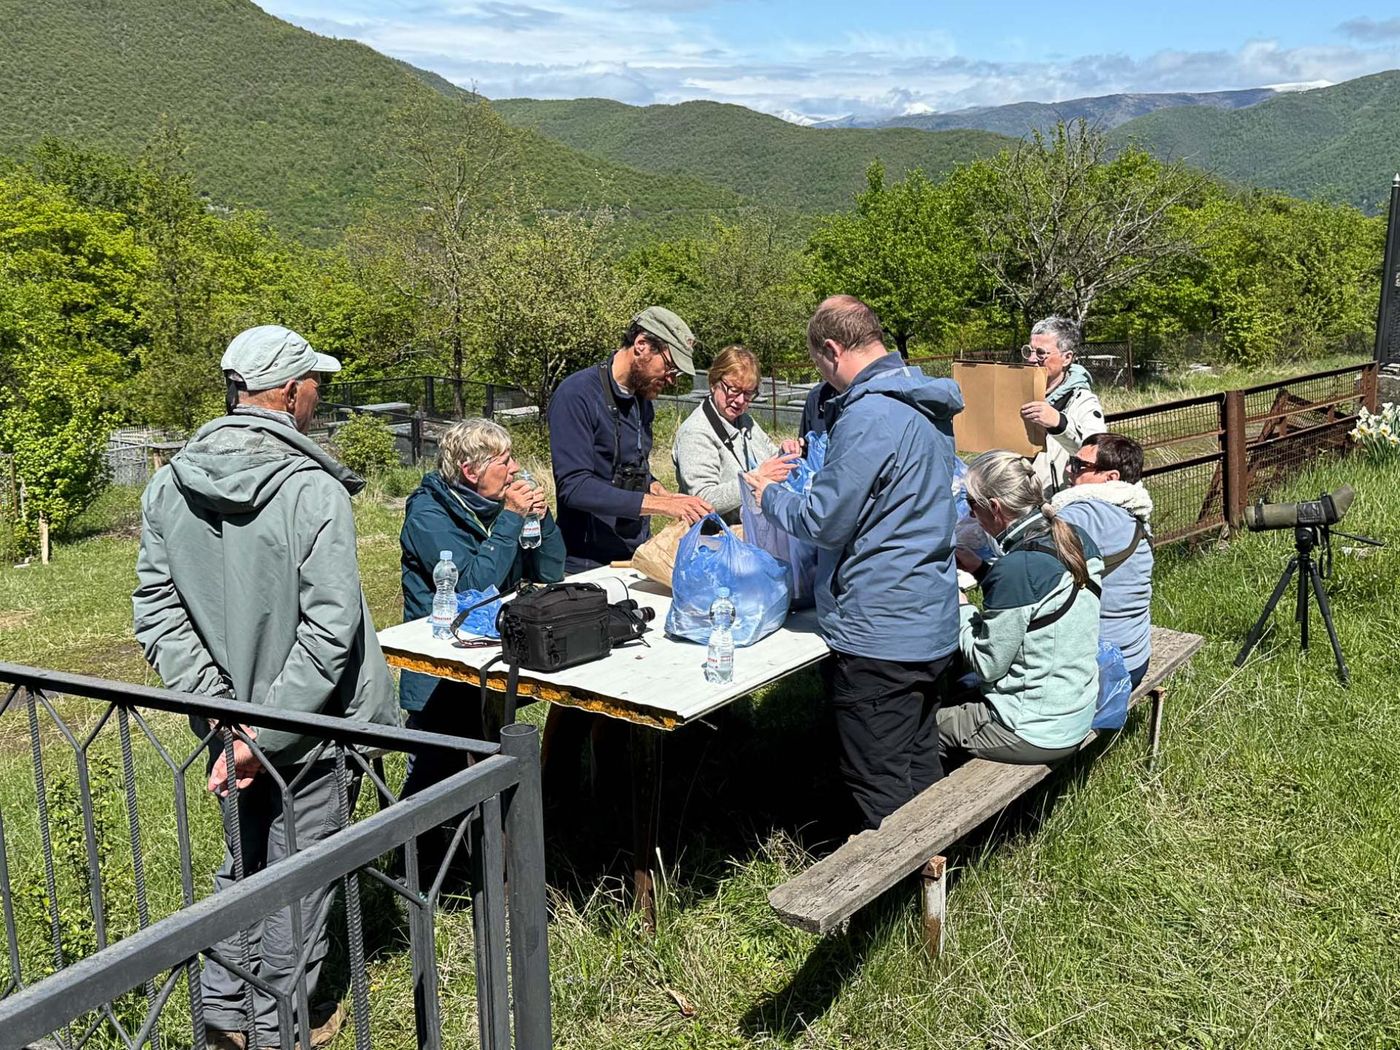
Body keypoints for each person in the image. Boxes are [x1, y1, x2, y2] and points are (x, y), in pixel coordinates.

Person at [133, 324, 398, 1050]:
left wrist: (225, 716)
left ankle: (224, 1022)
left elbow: (157, 611)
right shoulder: (312, 490)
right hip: (313, 732)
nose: (320, 393)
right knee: (298, 888)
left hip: (228, 734)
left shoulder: (167, 483)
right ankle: (280, 1030)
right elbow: (331, 629)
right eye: (315, 382)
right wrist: (265, 733)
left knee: (244, 867)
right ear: (286, 393)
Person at [744, 295, 964, 831]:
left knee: (879, 781)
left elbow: (824, 521)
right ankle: (937, 884)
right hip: (926, 615)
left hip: (879, 631)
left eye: (818, 365)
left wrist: (767, 493)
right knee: (917, 760)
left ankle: (894, 899)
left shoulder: (868, 414)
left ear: (832, 349)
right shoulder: (922, 401)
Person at [399, 418, 566, 790]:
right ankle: (418, 848)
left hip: (491, 658)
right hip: (441, 673)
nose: (514, 469)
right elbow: (471, 588)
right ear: (470, 471)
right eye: (503, 461)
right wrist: (510, 518)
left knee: (490, 774)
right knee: (436, 787)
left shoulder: (498, 505)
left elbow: (552, 572)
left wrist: (542, 518)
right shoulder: (428, 514)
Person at [942, 450, 1103, 767]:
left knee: (925, 731)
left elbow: (987, 665)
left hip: (1034, 729)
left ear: (996, 508)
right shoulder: (1074, 536)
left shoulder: (1017, 567)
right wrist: (981, 570)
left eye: (973, 506)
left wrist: (961, 607)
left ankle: (941, 814)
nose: (972, 516)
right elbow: (1043, 603)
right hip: (1076, 706)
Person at [548, 307, 713, 573]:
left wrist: (660, 490)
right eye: (670, 367)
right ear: (641, 345)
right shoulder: (576, 395)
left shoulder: (642, 399)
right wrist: (664, 506)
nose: (670, 380)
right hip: (585, 565)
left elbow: (633, 467)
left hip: (634, 554)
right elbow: (574, 486)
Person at [1051, 433, 1154, 687]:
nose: (1068, 469)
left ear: (1111, 478)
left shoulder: (1081, 512)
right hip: (1135, 657)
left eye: (1079, 466)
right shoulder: (1132, 509)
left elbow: (1027, 567)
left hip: (1102, 670)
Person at [672, 345, 800, 523]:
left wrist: (785, 453)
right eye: (734, 390)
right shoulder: (696, 432)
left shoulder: (745, 421)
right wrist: (755, 478)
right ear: (713, 383)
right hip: (717, 541)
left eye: (748, 393)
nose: (740, 401)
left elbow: (770, 461)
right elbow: (702, 500)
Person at [1018, 315, 1106, 495]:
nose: (1032, 359)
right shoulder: (1015, 392)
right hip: (1015, 505)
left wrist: (1060, 424)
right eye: (1029, 351)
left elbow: (1098, 454)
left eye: (1041, 353)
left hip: (1056, 507)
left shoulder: (1082, 401)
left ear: (1066, 358)